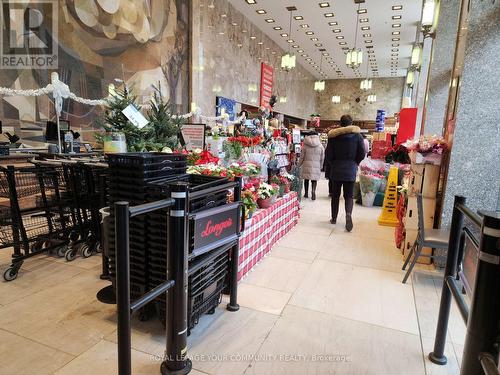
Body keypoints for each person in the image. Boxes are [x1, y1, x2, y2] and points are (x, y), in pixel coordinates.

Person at [325, 115, 366, 231]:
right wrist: (355, 163)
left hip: (336, 169)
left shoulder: (333, 137)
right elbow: (362, 153)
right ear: (351, 123)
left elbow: (328, 154)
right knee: (349, 195)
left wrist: (334, 164)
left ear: (340, 123)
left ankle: (334, 218)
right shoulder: (358, 136)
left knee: (335, 195)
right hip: (350, 169)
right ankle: (348, 214)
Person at [299, 132, 325, 201]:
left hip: (306, 165)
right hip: (316, 165)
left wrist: (299, 164)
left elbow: (302, 156)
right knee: (314, 180)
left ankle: (306, 193)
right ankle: (313, 191)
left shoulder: (305, 144)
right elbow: (322, 157)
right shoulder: (320, 145)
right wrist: (321, 166)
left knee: (306, 179)